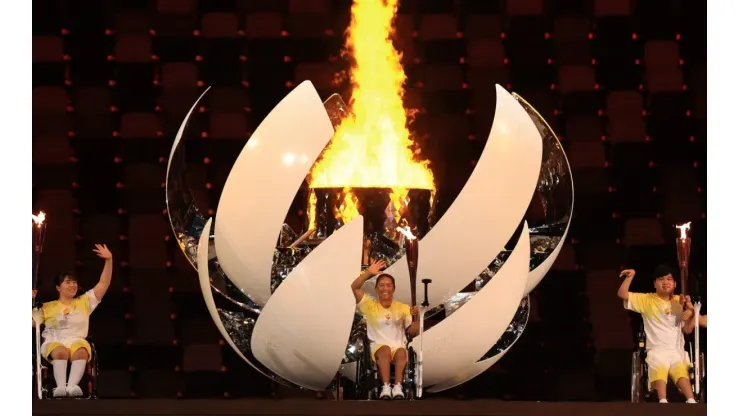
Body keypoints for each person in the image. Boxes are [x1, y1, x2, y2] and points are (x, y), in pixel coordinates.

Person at [32, 244, 113, 398]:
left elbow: (104, 284)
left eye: (74, 282)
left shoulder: (84, 302)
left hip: (76, 341)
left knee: (82, 351)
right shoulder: (47, 307)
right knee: (60, 352)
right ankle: (60, 388)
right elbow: (31, 323)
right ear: (58, 287)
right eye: (68, 282)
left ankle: (72, 386)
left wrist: (109, 260)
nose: (72, 285)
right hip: (53, 341)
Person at [617, 265, 696, 403]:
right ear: (654, 284)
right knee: (659, 365)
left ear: (675, 283)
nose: (665, 282)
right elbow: (622, 294)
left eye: (669, 279)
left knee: (680, 371)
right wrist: (631, 276)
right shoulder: (647, 300)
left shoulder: (679, 301)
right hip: (656, 349)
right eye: (661, 279)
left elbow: (687, 330)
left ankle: (691, 400)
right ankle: (662, 401)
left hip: (675, 349)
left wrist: (691, 313)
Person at [351, 258, 420, 399]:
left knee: (401, 352)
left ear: (393, 288)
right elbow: (355, 287)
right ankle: (386, 387)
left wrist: (416, 318)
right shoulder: (369, 305)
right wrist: (368, 273)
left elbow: (414, 331)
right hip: (378, 347)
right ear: (376, 289)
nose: (385, 288)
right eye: (381, 285)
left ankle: (398, 387)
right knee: (385, 350)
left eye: (388, 285)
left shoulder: (403, 308)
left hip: (398, 346)